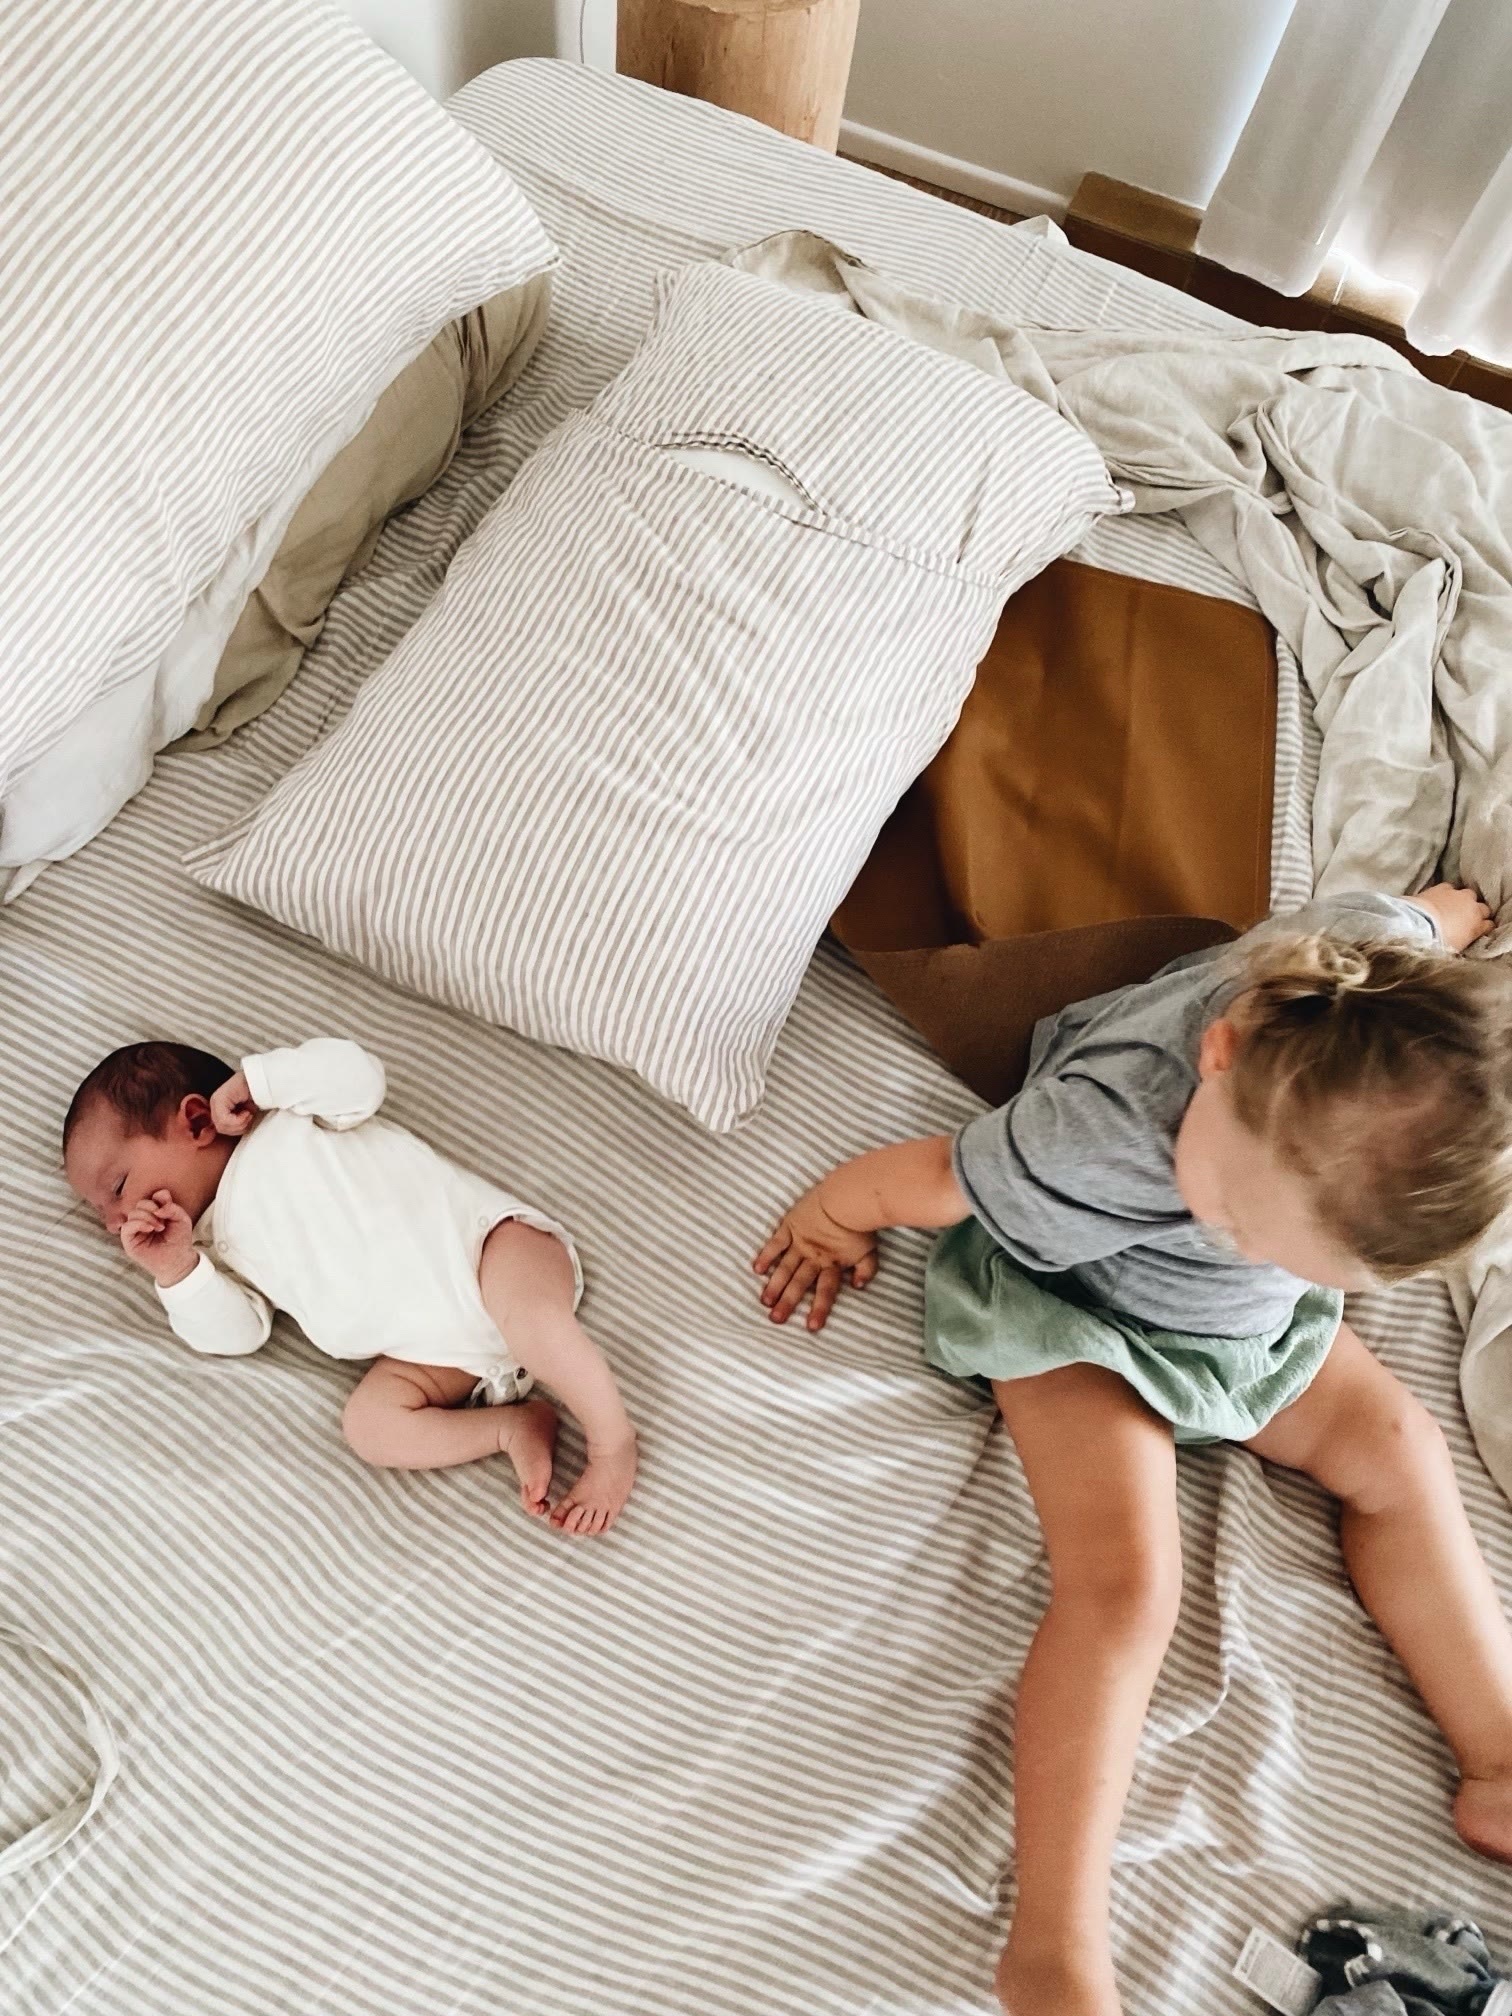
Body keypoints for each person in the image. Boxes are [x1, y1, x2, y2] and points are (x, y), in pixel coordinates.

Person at [755, 887, 1512, 2016]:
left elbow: (1399, 935)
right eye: (1237, 1220)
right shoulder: (1093, 1134)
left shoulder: (1365, 985)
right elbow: (936, 1178)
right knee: (1126, 1588)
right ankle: (1051, 1944)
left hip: (1232, 1334)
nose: (1247, 1241)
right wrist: (832, 1214)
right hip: (1076, 1312)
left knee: (1405, 1451)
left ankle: (1499, 1752)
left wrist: (1440, 921)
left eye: (1299, 1258)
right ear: (1221, 1053)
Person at [64, 1036, 636, 1535]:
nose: (116, 1221)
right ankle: (509, 1427)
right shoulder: (213, 1253)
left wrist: (262, 1082)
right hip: (435, 1356)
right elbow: (239, 1336)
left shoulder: (288, 1121)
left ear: (195, 1121)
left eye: (118, 1187)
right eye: (102, 1215)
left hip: (489, 1251)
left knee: (532, 1321)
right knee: (369, 1426)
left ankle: (612, 1443)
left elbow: (361, 1079)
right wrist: (178, 1272)